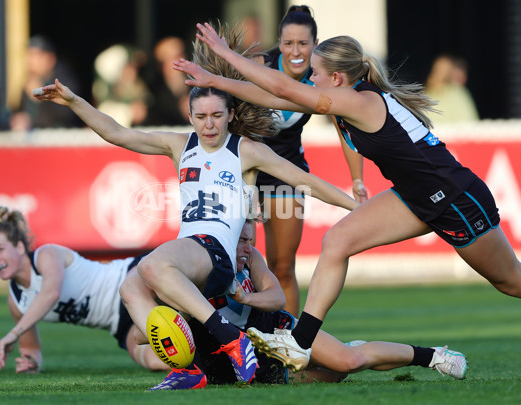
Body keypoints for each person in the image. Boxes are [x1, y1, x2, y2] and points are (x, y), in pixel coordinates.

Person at [184, 22, 521, 372]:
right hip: (415, 196)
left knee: (510, 281)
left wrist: (223, 55)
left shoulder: (358, 100)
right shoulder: (344, 100)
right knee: (338, 240)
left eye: (314, 73)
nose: (309, 79)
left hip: (455, 198)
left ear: (337, 78)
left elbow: (283, 87)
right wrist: (215, 81)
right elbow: (275, 97)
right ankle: (300, 344)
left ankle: (299, 342)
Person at [33, 70, 358, 388]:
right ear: (189, 116)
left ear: (230, 115)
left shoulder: (245, 151)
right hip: (191, 255)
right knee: (130, 292)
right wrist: (74, 101)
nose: (209, 123)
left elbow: (307, 182)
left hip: (217, 252)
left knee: (150, 266)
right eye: (201, 116)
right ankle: (189, 368)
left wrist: (356, 207)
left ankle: (230, 338)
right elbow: (118, 133)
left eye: (217, 114)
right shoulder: (180, 146)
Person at [190, 219, 467, 386]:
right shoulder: (199, 267)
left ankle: (434, 357)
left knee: (347, 362)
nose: (248, 248)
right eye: (240, 241)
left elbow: (277, 298)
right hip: (231, 363)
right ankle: (346, 350)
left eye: (250, 240)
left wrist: (245, 297)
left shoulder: (251, 258)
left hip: (277, 332)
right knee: (335, 374)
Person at [253, 5, 369, 315]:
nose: (295, 51)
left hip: (287, 177)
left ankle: (290, 349)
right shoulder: (258, 66)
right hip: (246, 174)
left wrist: (357, 180)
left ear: (315, 44)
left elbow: (346, 131)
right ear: (278, 42)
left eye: (303, 44)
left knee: (283, 266)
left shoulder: (322, 77)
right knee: (243, 265)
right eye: (288, 43)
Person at [0, 206, 167, 374]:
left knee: (152, 293)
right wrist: (31, 363)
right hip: (120, 323)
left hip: (127, 279)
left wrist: (12, 334)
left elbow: (50, 293)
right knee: (157, 361)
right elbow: (30, 350)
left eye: (0, 249)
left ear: (20, 247)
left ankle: (190, 313)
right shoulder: (16, 302)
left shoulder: (46, 255)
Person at [10, 36, 83, 131]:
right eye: (28, 56)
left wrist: (42, 96)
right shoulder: (29, 81)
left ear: (50, 59)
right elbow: (20, 112)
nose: (30, 61)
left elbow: (69, 115)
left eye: (35, 56)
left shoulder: (64, 80)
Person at [141, 37, 191, 126]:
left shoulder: (199, 83)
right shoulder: (153, 90)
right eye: (175, 57)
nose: (182, 60)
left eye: (182, 54)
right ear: (162, 64)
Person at [424, 54, 479, 124]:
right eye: (436, 70)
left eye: (443, 71)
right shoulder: (427, 93)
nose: (438, 75)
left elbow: (469, 121)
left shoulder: (457, 93)